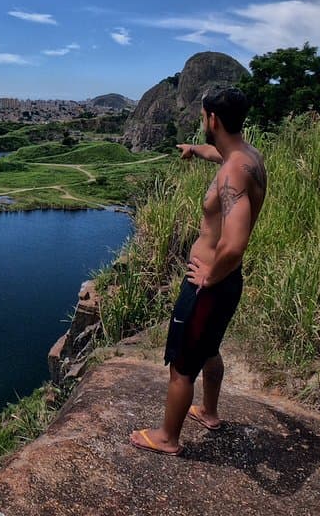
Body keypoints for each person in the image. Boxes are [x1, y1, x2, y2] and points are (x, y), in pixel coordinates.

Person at [129, 86, 267, 455]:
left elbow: (234, 243)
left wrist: (208, 276)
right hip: (227, 283)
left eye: (203, 117)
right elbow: (217, 153)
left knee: (182, 364)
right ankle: (208, 410)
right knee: (210, 348)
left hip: (209, 284)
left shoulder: (232, 175)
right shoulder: (246, 156)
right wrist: (194, 150)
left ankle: (167, 437)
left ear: (212, 119)